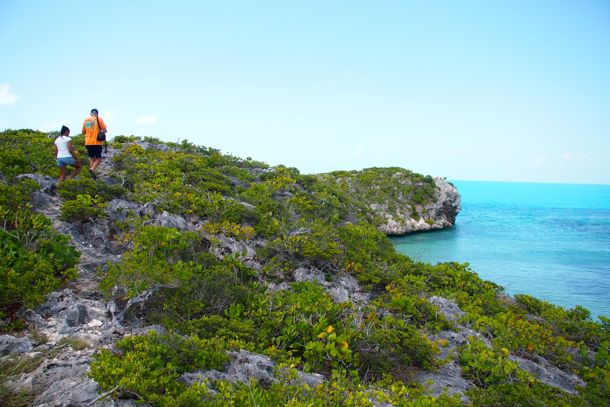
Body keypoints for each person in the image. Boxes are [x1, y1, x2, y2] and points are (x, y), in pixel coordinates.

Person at [82, 108, 107, 180]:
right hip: (97, 142)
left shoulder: (86, 120)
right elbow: (105, 130)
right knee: (98, 158)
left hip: (88, 142)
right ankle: (92, 169)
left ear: (90, 113)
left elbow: (83, 132)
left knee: (92, 158)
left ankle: (91, 175)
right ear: (97, 114)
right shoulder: (99, 119)